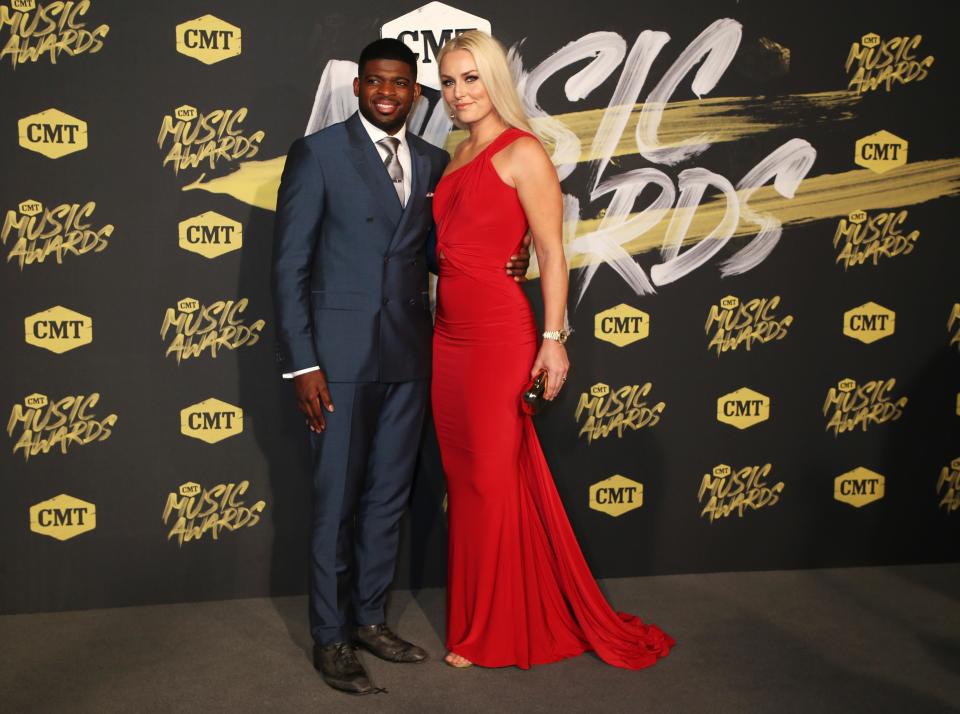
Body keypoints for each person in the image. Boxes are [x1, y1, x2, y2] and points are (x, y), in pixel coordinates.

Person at [272, 38, 529, 695]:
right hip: (337, 362)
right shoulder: (319, 153)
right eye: (376, 83)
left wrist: (507, 258)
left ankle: (369, 620)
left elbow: (436, 252)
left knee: (388, 497)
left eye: (402, 85)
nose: (389, 94)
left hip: (412, 357)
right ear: (359, 87)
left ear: (416, 95)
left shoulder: (433, 159)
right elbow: (290, 266)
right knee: (336, 505)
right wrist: (303, 364)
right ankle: (330, 638)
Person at [431, 30, 675, 670]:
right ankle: (485, 613)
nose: (459, 93)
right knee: (473, 481)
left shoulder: (523, 153)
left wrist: (553, 339)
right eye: (450, 81)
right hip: (447, 340)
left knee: (487, 480)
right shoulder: (455, 154)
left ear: (494, 81)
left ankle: (489, 629)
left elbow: (550, 253)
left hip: (499, 337)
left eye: (471, 79)